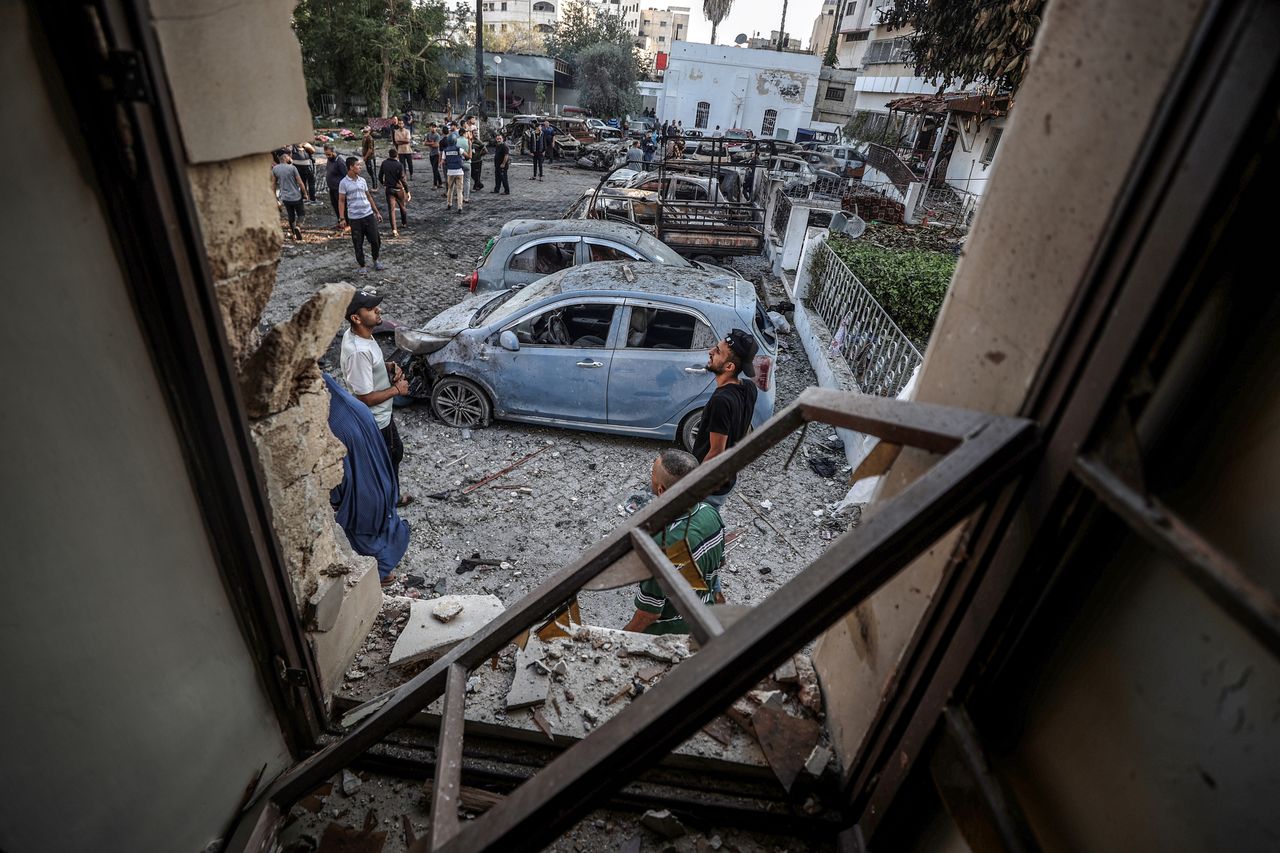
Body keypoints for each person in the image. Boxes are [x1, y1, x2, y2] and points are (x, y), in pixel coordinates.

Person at [624, 449, 726, 635]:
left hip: (671, 631)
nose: (650, 481)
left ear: (661, 490)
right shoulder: (710, 513)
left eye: (652, 477)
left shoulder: (660, 546)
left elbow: (649, 615)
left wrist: (621, 637)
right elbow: (719, 564)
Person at [324, 373, 410, 587]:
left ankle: (382, 574)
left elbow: (338, 472)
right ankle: (387, 568)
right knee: (383, 521)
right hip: (381, 480)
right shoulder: (355, 407)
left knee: (365, 532)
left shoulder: (332, 426)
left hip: (361, 492)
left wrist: (335, 499)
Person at [340, 287, 413, 509]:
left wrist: (386, 367)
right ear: (356, 318)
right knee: (388, 459)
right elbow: (365, 398)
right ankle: (388, 503)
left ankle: (385, 498)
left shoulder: (361, 335)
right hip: (375, 421)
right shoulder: (358, 351)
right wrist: (397, 390)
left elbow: (368, 373)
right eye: (371, 309)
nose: (378, 310)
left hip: (381, 416)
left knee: (393, 455)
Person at [692, 329, 759, 507]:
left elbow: (716, 453)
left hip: (708, 487)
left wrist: (692, 487)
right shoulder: (749, 388)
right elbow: (743, 431)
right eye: (715, 347)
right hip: (727, 478)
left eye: (718, 351)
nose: (711, 352)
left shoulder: (721, 401)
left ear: (729, 367)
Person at [338, 157, 385, 274]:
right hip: (355, 218)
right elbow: (341, 201)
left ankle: (375, 259)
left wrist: (376, 212)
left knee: (375, 240)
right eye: (358, 165)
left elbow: (368, 196)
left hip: (368, 214)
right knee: (357, 242)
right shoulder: (343, 183)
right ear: (351, 167)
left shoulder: (362, 181)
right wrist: (342, 218)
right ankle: (362, 265)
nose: (360, 167)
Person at [271, 149, 307, 241]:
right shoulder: (292, 168)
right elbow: (300, 183)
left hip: (285, 198)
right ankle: (298, 227)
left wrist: (275, 197)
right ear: (285, 157)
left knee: (291, 216)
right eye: (288, 156)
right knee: (301, 214)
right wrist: (305, 193)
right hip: (296, 196)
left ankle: (294, 233)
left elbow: (273, 185)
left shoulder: (275, 169)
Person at [378, 148, 409, 236]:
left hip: (389, 189)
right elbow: (403, 179)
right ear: (397, 155)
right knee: (402, 207)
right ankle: (404, 223)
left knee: (391, 210)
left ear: (389, 154)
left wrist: (383, 183)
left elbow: (380, 175)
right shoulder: (399, 165)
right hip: (399, 189)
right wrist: (407, 190)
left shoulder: (384, 163)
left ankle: (394, 230)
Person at [324, 143, 348, 228]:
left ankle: (346, 223)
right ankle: (340, 221)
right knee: (334, 205)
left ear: (334, 152)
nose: (327, 156)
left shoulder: (340, 162)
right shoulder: (329, 160)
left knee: (342, 206)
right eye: (326, 154)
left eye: (329, 154)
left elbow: (346, 175)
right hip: (332, 188)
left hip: (339, 189)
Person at [442, 130, 465, 212]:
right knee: (459, 190)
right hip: (459, 171)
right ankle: (459, 207)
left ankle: (449, 204)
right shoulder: (459, 149)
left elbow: (443, 161)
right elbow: (466, 155)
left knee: (450, 189)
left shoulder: (445, 150)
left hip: (450, 172)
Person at [393, 117, 414, 181]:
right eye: (399, 124)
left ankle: (411, 175)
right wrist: (404, 140)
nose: (401, 125)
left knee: (410, 164)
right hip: (400, 151)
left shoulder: (407, 131)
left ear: (403, 124)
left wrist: (401, 141)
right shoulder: (396, 132)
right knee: (402, 165)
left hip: (408, 150)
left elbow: (408, 140)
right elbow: (396, 141)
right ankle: (404, 176)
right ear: (398, 124)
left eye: (402, 123)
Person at [424, 123, 443, 188]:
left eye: (434, 127)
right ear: (430, 127)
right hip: (431, 153)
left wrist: (430, 144)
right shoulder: (428, 135)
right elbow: (425, 143)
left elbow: (437, 145)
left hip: (436, 154)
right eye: (432, 127)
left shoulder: (437, 135)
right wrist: (431, 143)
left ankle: (435, 184)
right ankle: (440, 182)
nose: (433, 128)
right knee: (435, 169)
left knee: (435, 169)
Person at [458, 128, 473, 202]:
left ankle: (459, 196)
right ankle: (466, 197)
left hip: (458, 163)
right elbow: (471, 152)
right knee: (467, 180)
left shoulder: (456, 141)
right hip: (467, 163)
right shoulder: (468, 141)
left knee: (459, 180)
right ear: (464, 133)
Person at [470, 126, 486, 192]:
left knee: (477, 174)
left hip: (477, 161)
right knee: (472, 174)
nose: (476, 135)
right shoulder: (469, 141)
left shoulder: (479, 142)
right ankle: (479, 184)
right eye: (475, 133)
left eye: (477, 133)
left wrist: (479, 155)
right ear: (471, 134)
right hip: (471, 160)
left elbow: (485, 150)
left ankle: (476, 186)